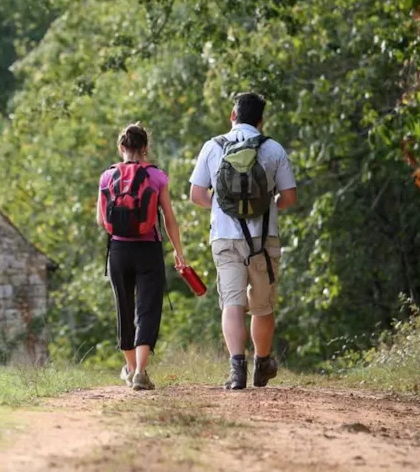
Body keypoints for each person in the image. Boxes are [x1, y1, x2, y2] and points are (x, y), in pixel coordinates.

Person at [188, 92, 297, 390]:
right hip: (264, 238)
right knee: (262, 305)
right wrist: (266, 204)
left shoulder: (213, 147)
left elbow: (197, 195)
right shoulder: (273, 149)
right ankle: (262, 365)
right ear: (261, 120)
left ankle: (237, 371)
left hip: (224, 237)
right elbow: (289, 197)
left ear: (232, 116)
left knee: (232, 303)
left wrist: (226, 205)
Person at [97, 123, 187, 391]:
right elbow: (169, 219)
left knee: (124, 309)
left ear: (121, 147)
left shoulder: (107, 177)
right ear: (145, 148)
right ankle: (141, 372)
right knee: (147, 309)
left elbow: (102, 220)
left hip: (118, 251)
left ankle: (131, 368)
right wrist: (179, 253)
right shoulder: (157, 176)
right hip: (148, 249)